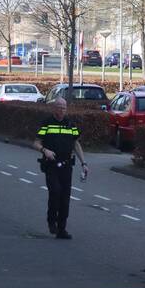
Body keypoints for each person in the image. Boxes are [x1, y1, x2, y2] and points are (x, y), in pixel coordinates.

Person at [33, 98, 89, 239]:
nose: (62, 110)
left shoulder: (70, 124)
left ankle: (61, 229)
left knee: (65, 198)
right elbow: (36, 143)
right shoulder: (47, 123)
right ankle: (52, 221)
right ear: (54, 108)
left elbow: (76, 144)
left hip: (67, 165)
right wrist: (45, 150)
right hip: (51, 164)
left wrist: (84, 163)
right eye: (59, 107)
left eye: (64, 107)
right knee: (55, 192)